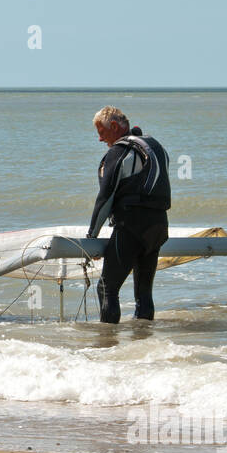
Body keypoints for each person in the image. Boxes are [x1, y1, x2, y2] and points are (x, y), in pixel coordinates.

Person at [86, 107, 171, 323]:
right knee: (144, 294)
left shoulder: (119, 150)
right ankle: (142, 345)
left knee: (107, 289)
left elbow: (105, 197)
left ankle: (108, 345)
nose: (99, 138)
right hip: (158, 227)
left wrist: (91, 237)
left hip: (132, 227)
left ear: (114, 126)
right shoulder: (155, 146)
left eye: (101, 131)